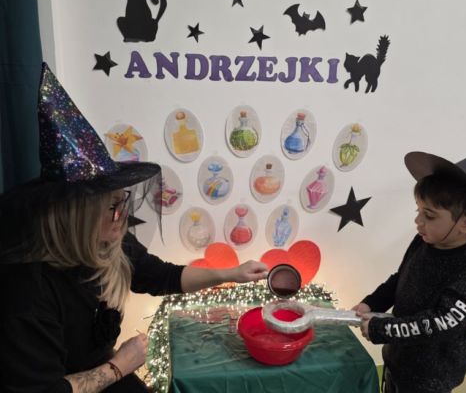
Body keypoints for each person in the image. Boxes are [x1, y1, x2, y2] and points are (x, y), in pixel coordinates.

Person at [0, 63, 268, 393]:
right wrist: (118, 366)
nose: (122, 215)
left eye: (122, 201)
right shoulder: (28, 293)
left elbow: (163, 276)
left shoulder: (110, 245)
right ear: (76, 219)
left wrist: (231, 273)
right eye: (112, 207)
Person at [352, 146, 466, 393]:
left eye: (429, 215)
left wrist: (382, 329)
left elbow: (443, 322)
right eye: (418, 211)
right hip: (397, 362)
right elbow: (401, 279)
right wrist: (372, 302)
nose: (418, 222)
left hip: (429, 381)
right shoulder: (423, 241)